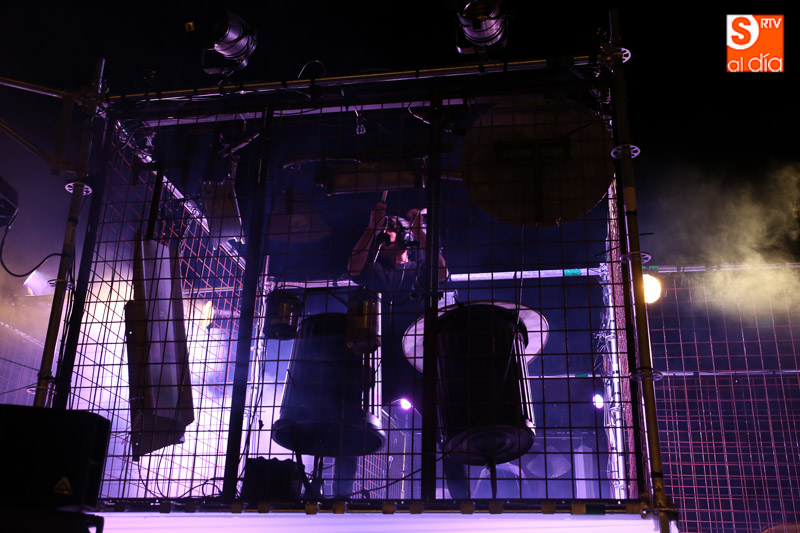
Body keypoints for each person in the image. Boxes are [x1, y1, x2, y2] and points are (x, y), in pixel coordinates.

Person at [335, 201, 468, 499]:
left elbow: (441, 273)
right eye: (386, 228)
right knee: (353, 425)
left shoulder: (419, 270)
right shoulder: (374, 270)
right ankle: (340, 496)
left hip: (417, 362)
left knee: (444, 428)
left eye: (394, 226)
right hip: (378, 361)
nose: (389, 230)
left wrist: (419, 231)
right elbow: (354, 266)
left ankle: (461, 500)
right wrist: (372, 226)